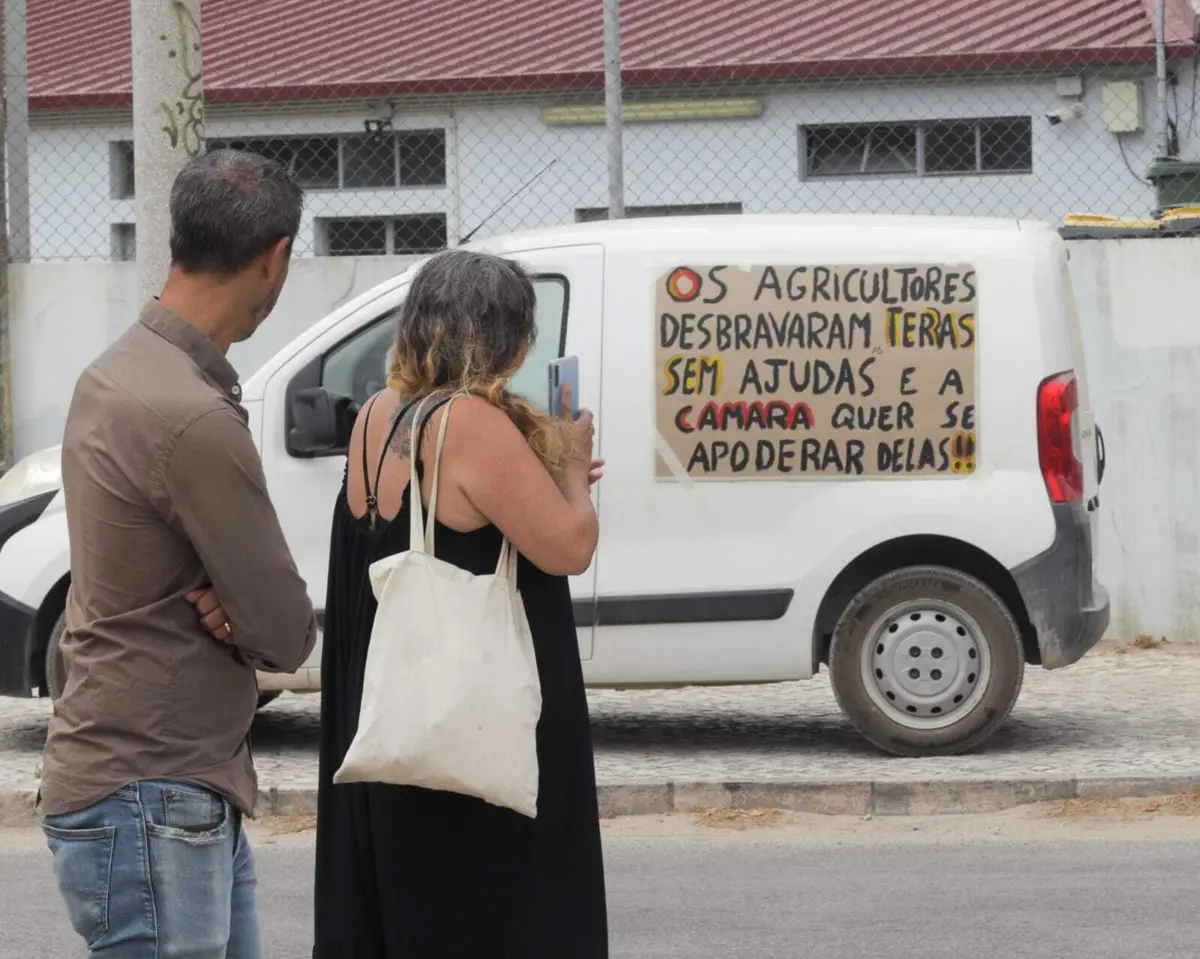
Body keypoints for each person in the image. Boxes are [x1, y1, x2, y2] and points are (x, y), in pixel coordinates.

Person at [40, 150, 318, 959]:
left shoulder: (116, 371)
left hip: (151, 777)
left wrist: (239, 610)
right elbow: (285, 630)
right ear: (275, 256)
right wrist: (244, 615)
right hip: (153, 789)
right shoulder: (191, 416)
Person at [313, 249, 609, 958]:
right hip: (476, 744)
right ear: (508, 338)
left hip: (399, 727)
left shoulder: (377, 417)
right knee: (496, 914)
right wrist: (571, 475)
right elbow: (569, 545)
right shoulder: (469, 424)